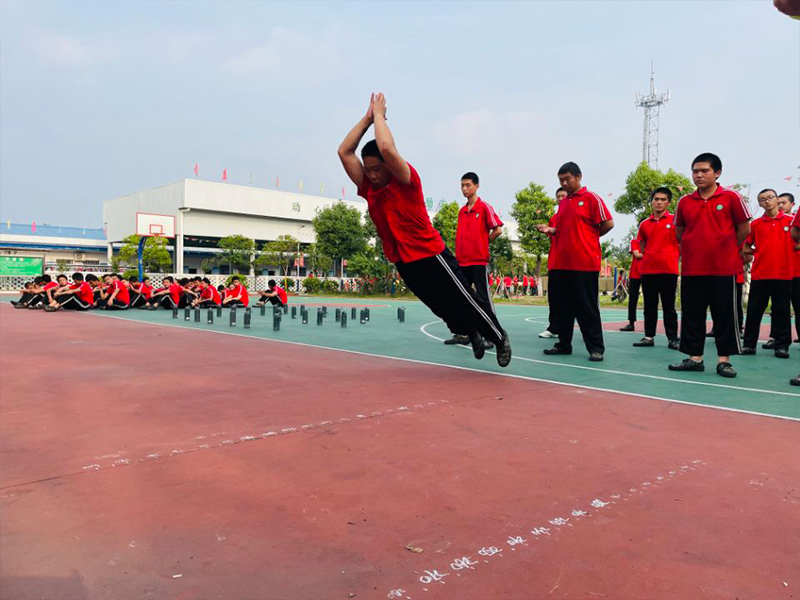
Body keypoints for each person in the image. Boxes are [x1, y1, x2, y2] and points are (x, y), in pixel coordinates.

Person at [337, 93, 511, 366]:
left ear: (388, 167)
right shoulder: (369, 189)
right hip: (404, 260)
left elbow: (388, 148)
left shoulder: (406, 180)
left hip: (431, 253)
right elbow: (344, 152)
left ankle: (499, 337)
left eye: (376, 169)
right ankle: (472, 333)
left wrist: (379, 117)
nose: (371, 174)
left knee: (464, 297)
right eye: (367, 170)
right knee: (439, 306)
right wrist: (366, 119)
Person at [668, 153, 751, 378]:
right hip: (693, 269)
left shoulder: (731, 198)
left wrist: (725, 248)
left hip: (724, 269)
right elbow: (679, 232)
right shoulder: (685, 201)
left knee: (724, 315)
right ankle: (695, 358)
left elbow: (744, 229)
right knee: (692, 314)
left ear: (717, 173)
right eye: (695, 171)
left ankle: (724, 361)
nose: (699, 175)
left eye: (704, 171)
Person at [535, 163, 614, 361]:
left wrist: (590, 238)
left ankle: (596, 348)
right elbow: (564, 230)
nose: (564, 183)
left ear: (579, 177)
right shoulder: (563, 204)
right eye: (561, 180)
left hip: (584, 264)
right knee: (562, 308)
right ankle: (563, 344)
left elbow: (608, 223)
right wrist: (550, 230)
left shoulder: (591, 199)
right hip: (561, 264)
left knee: (587, 307)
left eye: (567, 179)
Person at [444, 172, 503, 347]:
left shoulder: (484, 207)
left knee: (483, 298)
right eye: (462, 185)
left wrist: (483, 243)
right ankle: (465, 333)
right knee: (461, 297)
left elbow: (498, 229)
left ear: (477, 186)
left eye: (468, 185)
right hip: (462, 261)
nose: (464, 188)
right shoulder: (462, 211)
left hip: (478, 261)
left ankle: (492, 335)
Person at [740, 189, 792, 358]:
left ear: (777, 200)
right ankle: (749, 344)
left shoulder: (790, 222)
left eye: (770, 197)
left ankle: (782, 345)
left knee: (782, 310)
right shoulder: (755, 224)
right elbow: (746, 246)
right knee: (755, 310)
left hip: (783, 273)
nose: (767, 201)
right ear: (760, 204)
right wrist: (757, 252)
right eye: (763, 200)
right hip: (761, 273)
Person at [631, 187, 680, 349]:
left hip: (668, 270)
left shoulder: (675, 221)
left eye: (663, 199)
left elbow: (682, 241)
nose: (659, 202)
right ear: (651, 202)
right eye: (656, 199)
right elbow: (642, 244)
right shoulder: (644, 224)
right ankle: (648, 336)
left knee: (669, 306)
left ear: (669, 202)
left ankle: (672, 338)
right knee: (649, 306)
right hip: (648, 270)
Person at [540, 187, 568, 338]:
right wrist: (546, 229)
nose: (560, 198)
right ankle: (554, 328)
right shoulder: (554, 218)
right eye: (558, 196)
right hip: (555, 262)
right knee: (554, 298)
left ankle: (581, 330)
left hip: (571, 264)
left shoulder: (574, 215)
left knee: (573, 300)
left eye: (563, 195)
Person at [620, 240, 642, 331]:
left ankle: (650, 327)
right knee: (632, 299)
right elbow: (636, 255)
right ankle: (631, 323)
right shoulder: (635, 242)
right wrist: (652, 253)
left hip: (648, 273)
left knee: (650, 301)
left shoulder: (652, 241)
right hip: (635, 274)